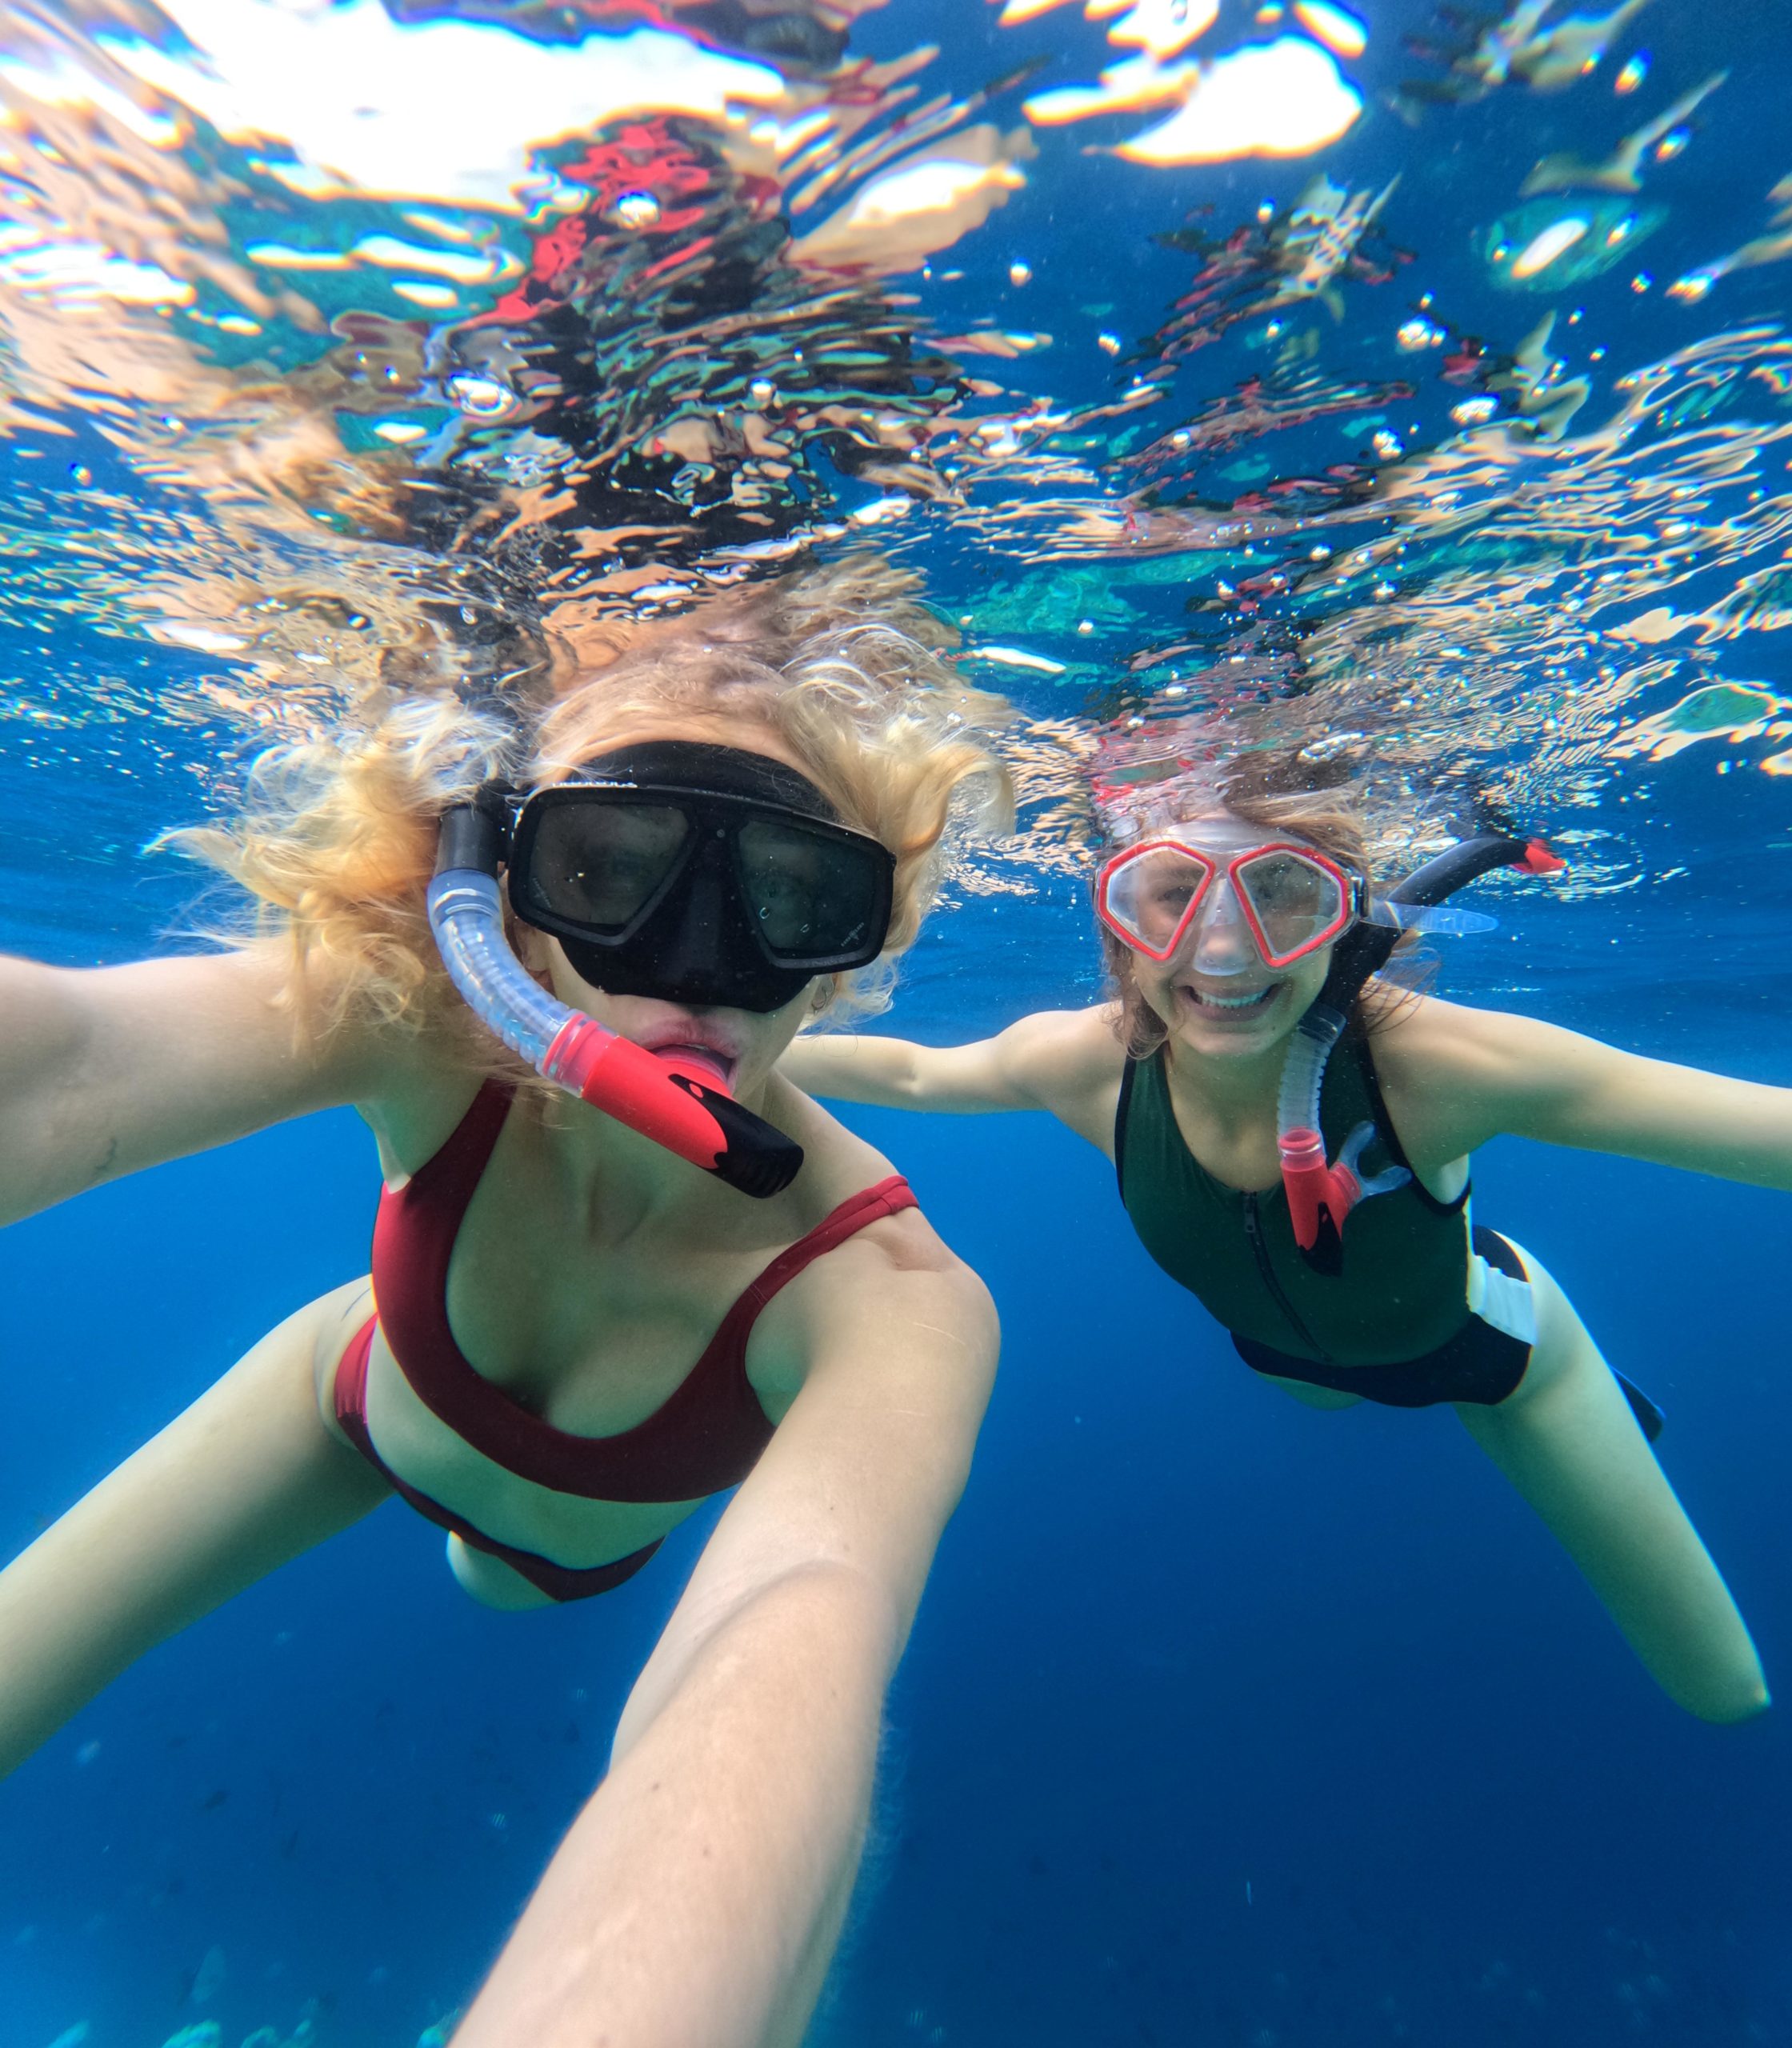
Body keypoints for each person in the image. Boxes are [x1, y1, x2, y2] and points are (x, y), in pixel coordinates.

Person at [0, 567, 1007, 2043]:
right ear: (504, 910)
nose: (704, 965)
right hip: (345, 1398)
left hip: (555, 1552)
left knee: (502, 1576)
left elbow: (803, 1624)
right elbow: (62, 1056)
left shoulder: (896, 1299)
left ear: (863, 941)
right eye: (611, 868)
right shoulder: (424, 1025)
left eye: (793, 897)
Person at [782, 750, 1785, 1725]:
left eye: (1283, 893)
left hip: (1497, 1352)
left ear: (1345, 920)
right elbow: (911, 1074)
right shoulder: (1083, 1063)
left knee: (1719, 1690)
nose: (1222, 951)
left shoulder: (1442, 1065)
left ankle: (1588, 1382)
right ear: (1117, 924)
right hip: (1289, 1361)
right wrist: (694, 1057)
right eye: (1169, 893)